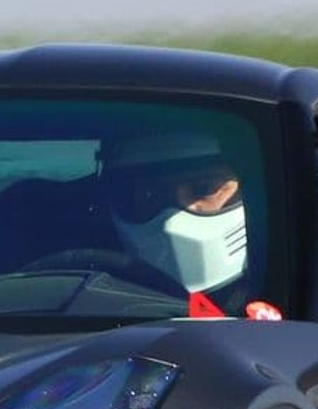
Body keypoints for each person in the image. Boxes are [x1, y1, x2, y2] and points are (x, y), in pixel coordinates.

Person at [104, 131, 257, 310]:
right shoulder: (101, 298)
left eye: (204, 189)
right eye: (151, 194)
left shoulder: (288, 288)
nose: (171, 222)